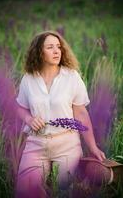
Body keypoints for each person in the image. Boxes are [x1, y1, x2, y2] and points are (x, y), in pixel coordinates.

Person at [15, 30, 106, 198]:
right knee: (25, 191)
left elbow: (81, 114)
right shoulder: (28, 78)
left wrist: (92, 147)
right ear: (39, 52)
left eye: (58, 47)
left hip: (67, 144)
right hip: (36, 144)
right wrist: (29, 119)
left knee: (68, 192)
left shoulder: (71, 76)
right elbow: (20, 107)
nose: (56, 51)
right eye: (50, 47)